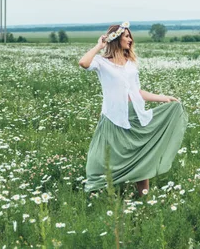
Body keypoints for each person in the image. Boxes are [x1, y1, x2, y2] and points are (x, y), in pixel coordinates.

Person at [78, 21, 188, 195]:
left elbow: (137, 91)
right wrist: (99, 45)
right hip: (113, 116)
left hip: (135, 114)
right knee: (99, 158)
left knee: (140, 154)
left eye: (130, 36)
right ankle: (96, 191)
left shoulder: (131, 64)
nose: (130, 39)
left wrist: (163, 98)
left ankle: (144, 197)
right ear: (116, 39)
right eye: (126, 36)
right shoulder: (102, 62)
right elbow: (83, 63)